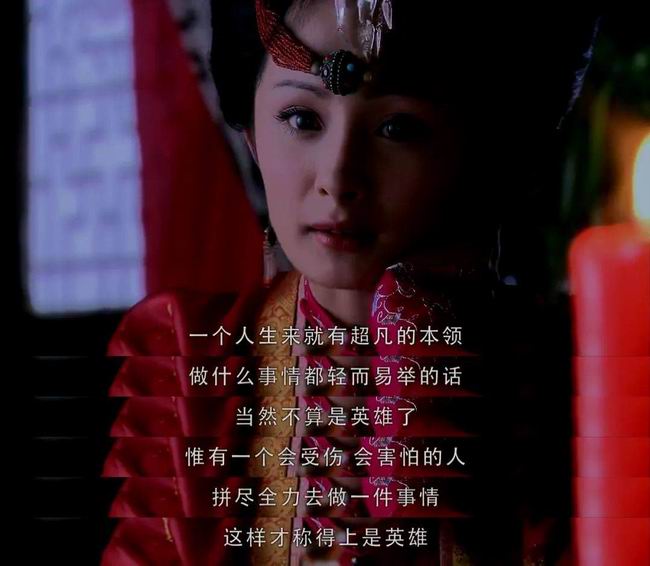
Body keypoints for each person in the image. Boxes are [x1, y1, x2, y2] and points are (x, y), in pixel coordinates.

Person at [101, 1, 599, 564]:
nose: (337, 177)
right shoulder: (187, 365)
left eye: (397, 128)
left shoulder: (571, 374)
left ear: (486, 153)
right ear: (252, 135)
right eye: (301, 119)